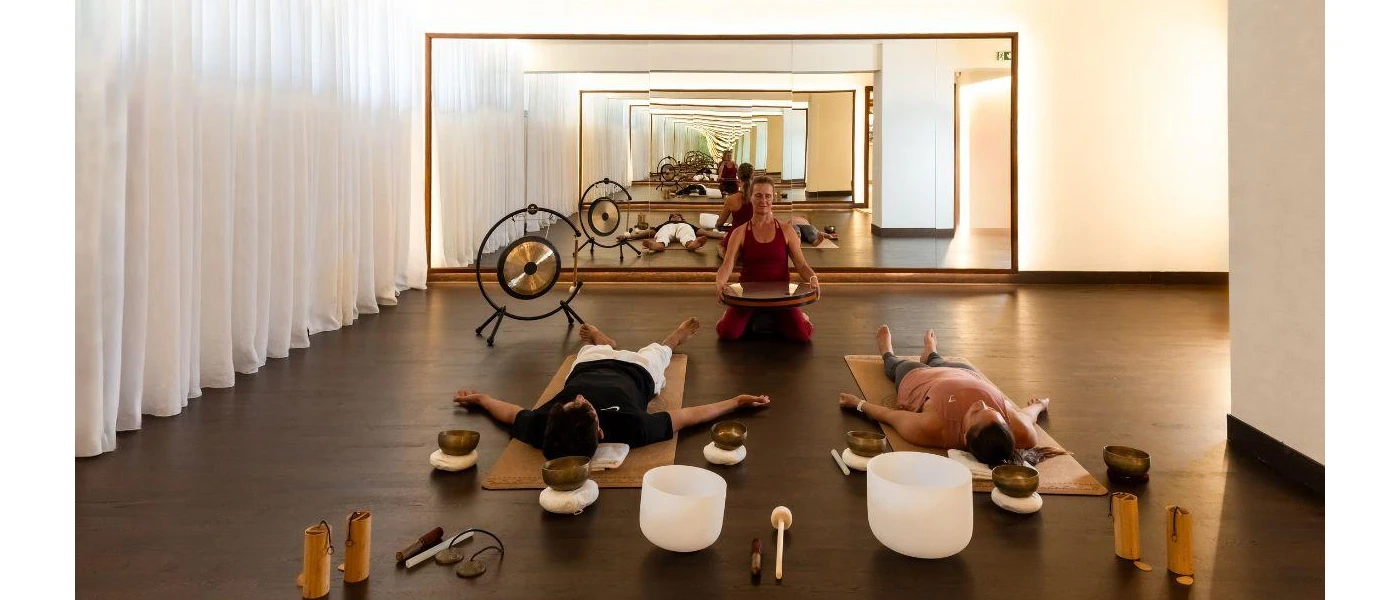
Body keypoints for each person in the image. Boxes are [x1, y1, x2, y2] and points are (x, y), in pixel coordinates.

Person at [454, 319, 771, 460]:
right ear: (600, 432)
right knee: (657, 354)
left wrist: (481, 399)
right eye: (585, 407)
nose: (580, 398)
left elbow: (509, 414)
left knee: (593, 351)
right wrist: (735, 401)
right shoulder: (631, 427)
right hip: (638, 374)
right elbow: (688, 417)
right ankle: (673, 339)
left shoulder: (542, 426)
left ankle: (601, 341)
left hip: (589, 366)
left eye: (570, 403)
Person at [837, 325, 1064, 467]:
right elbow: (1027, 416)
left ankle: (887, 352)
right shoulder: (1019, 432)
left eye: (977, 412)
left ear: (965, 435)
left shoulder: (933, 428)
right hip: (965, 373)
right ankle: (932, 352)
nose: (983, 403)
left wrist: (858, 403)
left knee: (898, 367)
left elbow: (889, 415)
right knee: (940, 361)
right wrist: (1040, 405)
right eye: (994, 411)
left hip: (921, 381)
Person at [714, 175, 820, 342]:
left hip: (781, 294)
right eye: (758, 195)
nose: (763, 200)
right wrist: (720, 283)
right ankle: (735, 315)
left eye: (767, 196)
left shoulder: (786, 231)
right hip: (748, 294)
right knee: (728, 333)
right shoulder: (740, 232)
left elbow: (801, 265)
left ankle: (801, 317)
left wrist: (813, 278)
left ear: (773, 198)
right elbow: (727, 265)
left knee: (802, 335)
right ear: (751, 197)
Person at [616, 213, 722, 252]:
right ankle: (658, 245)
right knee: (663, 234)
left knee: (687, 234)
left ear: (682, 218)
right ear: (669, 219)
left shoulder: (687, 224)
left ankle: (692, 244)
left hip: (683, 227)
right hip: (668, 228)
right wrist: (630, 237)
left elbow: (705, 232)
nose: (675, 216)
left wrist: (723, 235)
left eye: (677, 215)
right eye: (672, 216)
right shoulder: (665, 224)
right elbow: (649, 233)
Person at [714, 162, 755, 253]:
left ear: (738, 176)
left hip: (736, 238)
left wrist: (717, 225)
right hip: (755, 239)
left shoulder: (731, 199)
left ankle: (727, 256)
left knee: (719, 246)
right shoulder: (759, 198)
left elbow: (720, 222)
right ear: (753, 175)